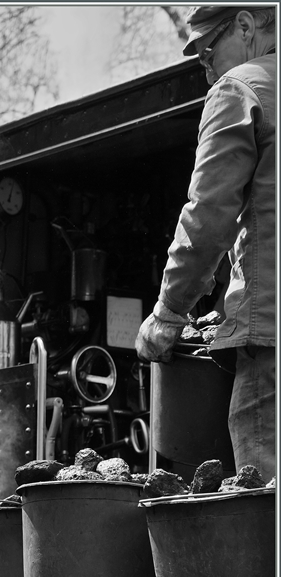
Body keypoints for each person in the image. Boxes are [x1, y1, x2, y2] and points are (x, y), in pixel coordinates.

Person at [135, 6, 276, 481]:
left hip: (273, 338)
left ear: (244, 25)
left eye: (209, 52)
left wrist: (169, 312)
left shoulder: (241, 89)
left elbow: (209, 216)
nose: (208, 69)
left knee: (264, 514)